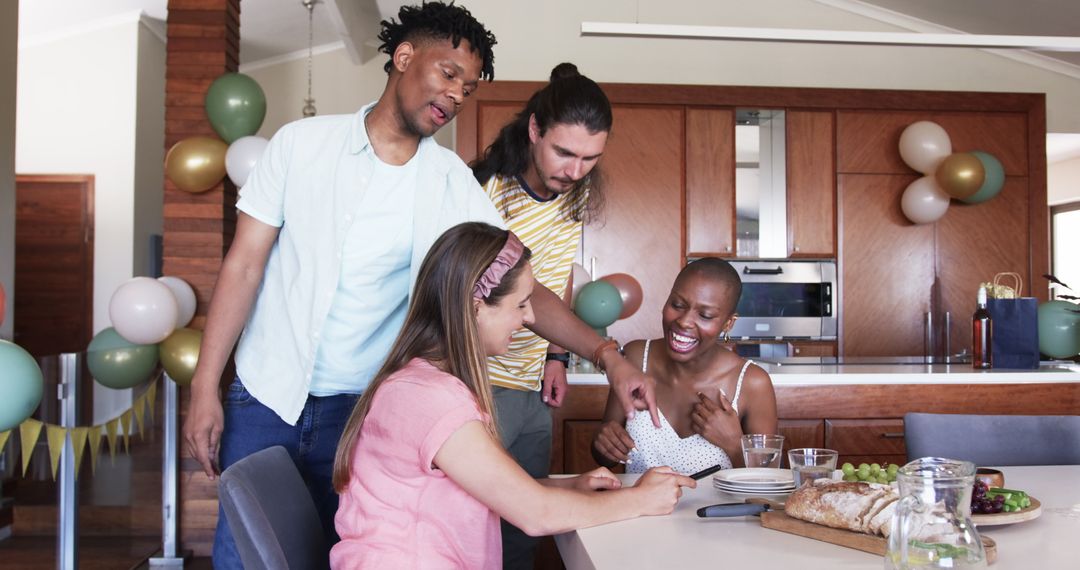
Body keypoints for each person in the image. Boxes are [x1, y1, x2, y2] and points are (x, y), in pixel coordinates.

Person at [180, 3, 657, 567]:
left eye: (468, 88)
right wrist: (206, 385)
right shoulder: (300, 144)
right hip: (265, 391)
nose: (456, 96)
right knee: (244, 555)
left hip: (361, 405)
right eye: (448, 74)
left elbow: (519, 284)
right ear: (404, 57)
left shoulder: (451, 182)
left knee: (341, 553)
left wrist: (606, 354)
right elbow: (242, 267)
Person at [330, 222, 695, 569]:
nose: (529, 317)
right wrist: (639, 500)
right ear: (476, 309)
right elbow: (536, 514)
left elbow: (473, 485)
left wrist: (568, 486)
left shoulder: (423, 383)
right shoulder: (428, 397)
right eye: (521, 304)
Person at [469, 62, 611, 568]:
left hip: (530, 383)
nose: (575, 171)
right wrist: (605, 354)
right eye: (564, 152)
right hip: (481, 382)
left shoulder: (578, 191)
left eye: (590, 158)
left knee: (522, 536)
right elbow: (531, 290)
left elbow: (558, 271)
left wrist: (556, 356)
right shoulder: (485, 193)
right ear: (534, 129)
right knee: (475, 524)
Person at [592, 258, 779, 473]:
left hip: (717, 508)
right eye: (677, 305)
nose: (684, 321)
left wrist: (735, 446)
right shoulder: (635, 357)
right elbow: (605, 458)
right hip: (639, 507)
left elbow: (769, 483)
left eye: (705, 315)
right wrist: (602, 441)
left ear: (728, 323)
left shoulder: (752, 383)